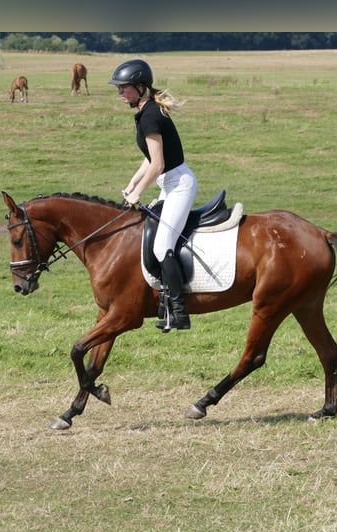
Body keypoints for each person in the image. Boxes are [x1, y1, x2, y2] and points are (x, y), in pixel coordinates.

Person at [109, 59, 198, 332]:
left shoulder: (150, 116)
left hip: (179, 185)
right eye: (118, 88)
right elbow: (150, 160)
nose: (119, 93)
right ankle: (163, 302)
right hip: (168, 185)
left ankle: (179, 312)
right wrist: (132, 184)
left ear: (139, 87)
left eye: (123, 88)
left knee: (162, 247)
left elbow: (158, 164)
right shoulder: (145, 112)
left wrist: (138, 193)